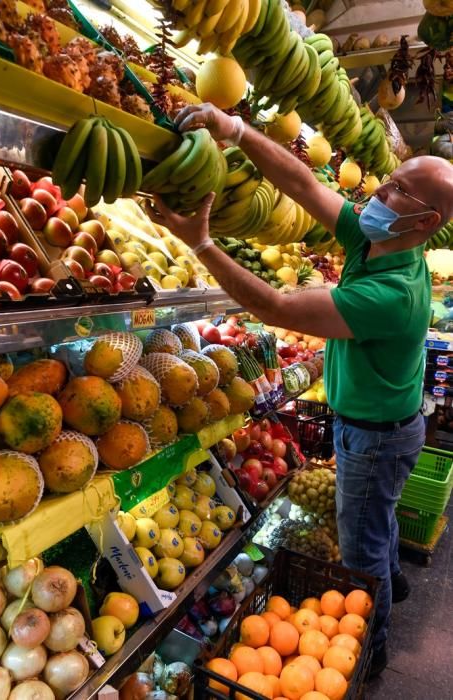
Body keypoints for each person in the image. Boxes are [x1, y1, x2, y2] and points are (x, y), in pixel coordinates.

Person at [146, 103, 453, 676]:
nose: (380, 193)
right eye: (387, 182)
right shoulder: (379, 240)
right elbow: (304, 181)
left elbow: (276, 305)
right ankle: (394, 583)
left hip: (376, 436)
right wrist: (234, 130)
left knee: (360, 555)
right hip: (387, 427)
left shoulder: (392, 296)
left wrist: (203, 245)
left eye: (398, 191)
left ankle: (372, 649)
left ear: (426, 221)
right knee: (376, 522)